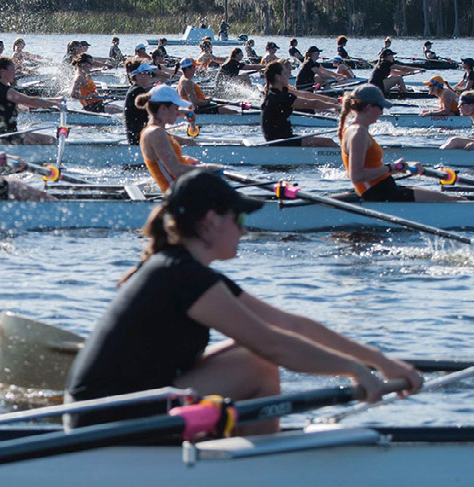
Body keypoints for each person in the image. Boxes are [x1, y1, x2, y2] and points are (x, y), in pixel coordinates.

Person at [64, 169, 422, 432]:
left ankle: (255, 451)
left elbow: (290, 325)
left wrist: (381, 361)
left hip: (119, 410)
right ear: (210, 221)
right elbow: (274, 345)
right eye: (240, 218)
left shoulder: (184, 269)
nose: (245, 229)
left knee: (254, 356)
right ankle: (260, 463)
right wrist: (355, 370)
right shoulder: (182, 276)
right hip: (105, 422)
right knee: (258, 362)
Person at [339, 85, 461, 203]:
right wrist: (393, 167)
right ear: (368, 107)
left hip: (385, 189)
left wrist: (403, 167)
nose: (381, 113)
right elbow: (357, 176)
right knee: (451, 200)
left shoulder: (356, 129)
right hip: (379, 195)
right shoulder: (358, 133)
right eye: (380, 107)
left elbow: (372, 168)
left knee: (450, 197)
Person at [138, 85, 212, 193]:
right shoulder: (156, 133)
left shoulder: (155, 131)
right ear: (163, 109)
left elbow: (165, 162)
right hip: (177, 195)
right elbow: (176, 170)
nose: (177, 113)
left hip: (182, 190)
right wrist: (208, 168)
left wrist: (185, 159)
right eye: (176, 108)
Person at [260, 61, 338, 147]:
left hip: (279, 138)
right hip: (279, 140)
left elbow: (305, 95)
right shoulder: (280, 97)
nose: (288, 76)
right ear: (278, 77)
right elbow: (312, 104)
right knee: (328, 142)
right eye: (285, 73)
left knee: (316, 140)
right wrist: (336, 106)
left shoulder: (274, 92)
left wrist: (330, 100)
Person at [0, 57, 62, 145]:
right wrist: (56, 104)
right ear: (3, 71)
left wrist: (54, 100)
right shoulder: (5, 91)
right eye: (12, 70)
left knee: (48, 139)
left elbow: (29, 102)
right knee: (51, 140)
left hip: (7, 136)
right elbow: (31, 101)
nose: (15, 73)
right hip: (7, 138)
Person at [123, 61, 156, 145]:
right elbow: (155, 114)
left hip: (138, 136)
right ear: (138, 75)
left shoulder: (134, 89)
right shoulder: (138, 92)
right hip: (139, 139)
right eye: (147, 73)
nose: (150, 76)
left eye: (150, 73)